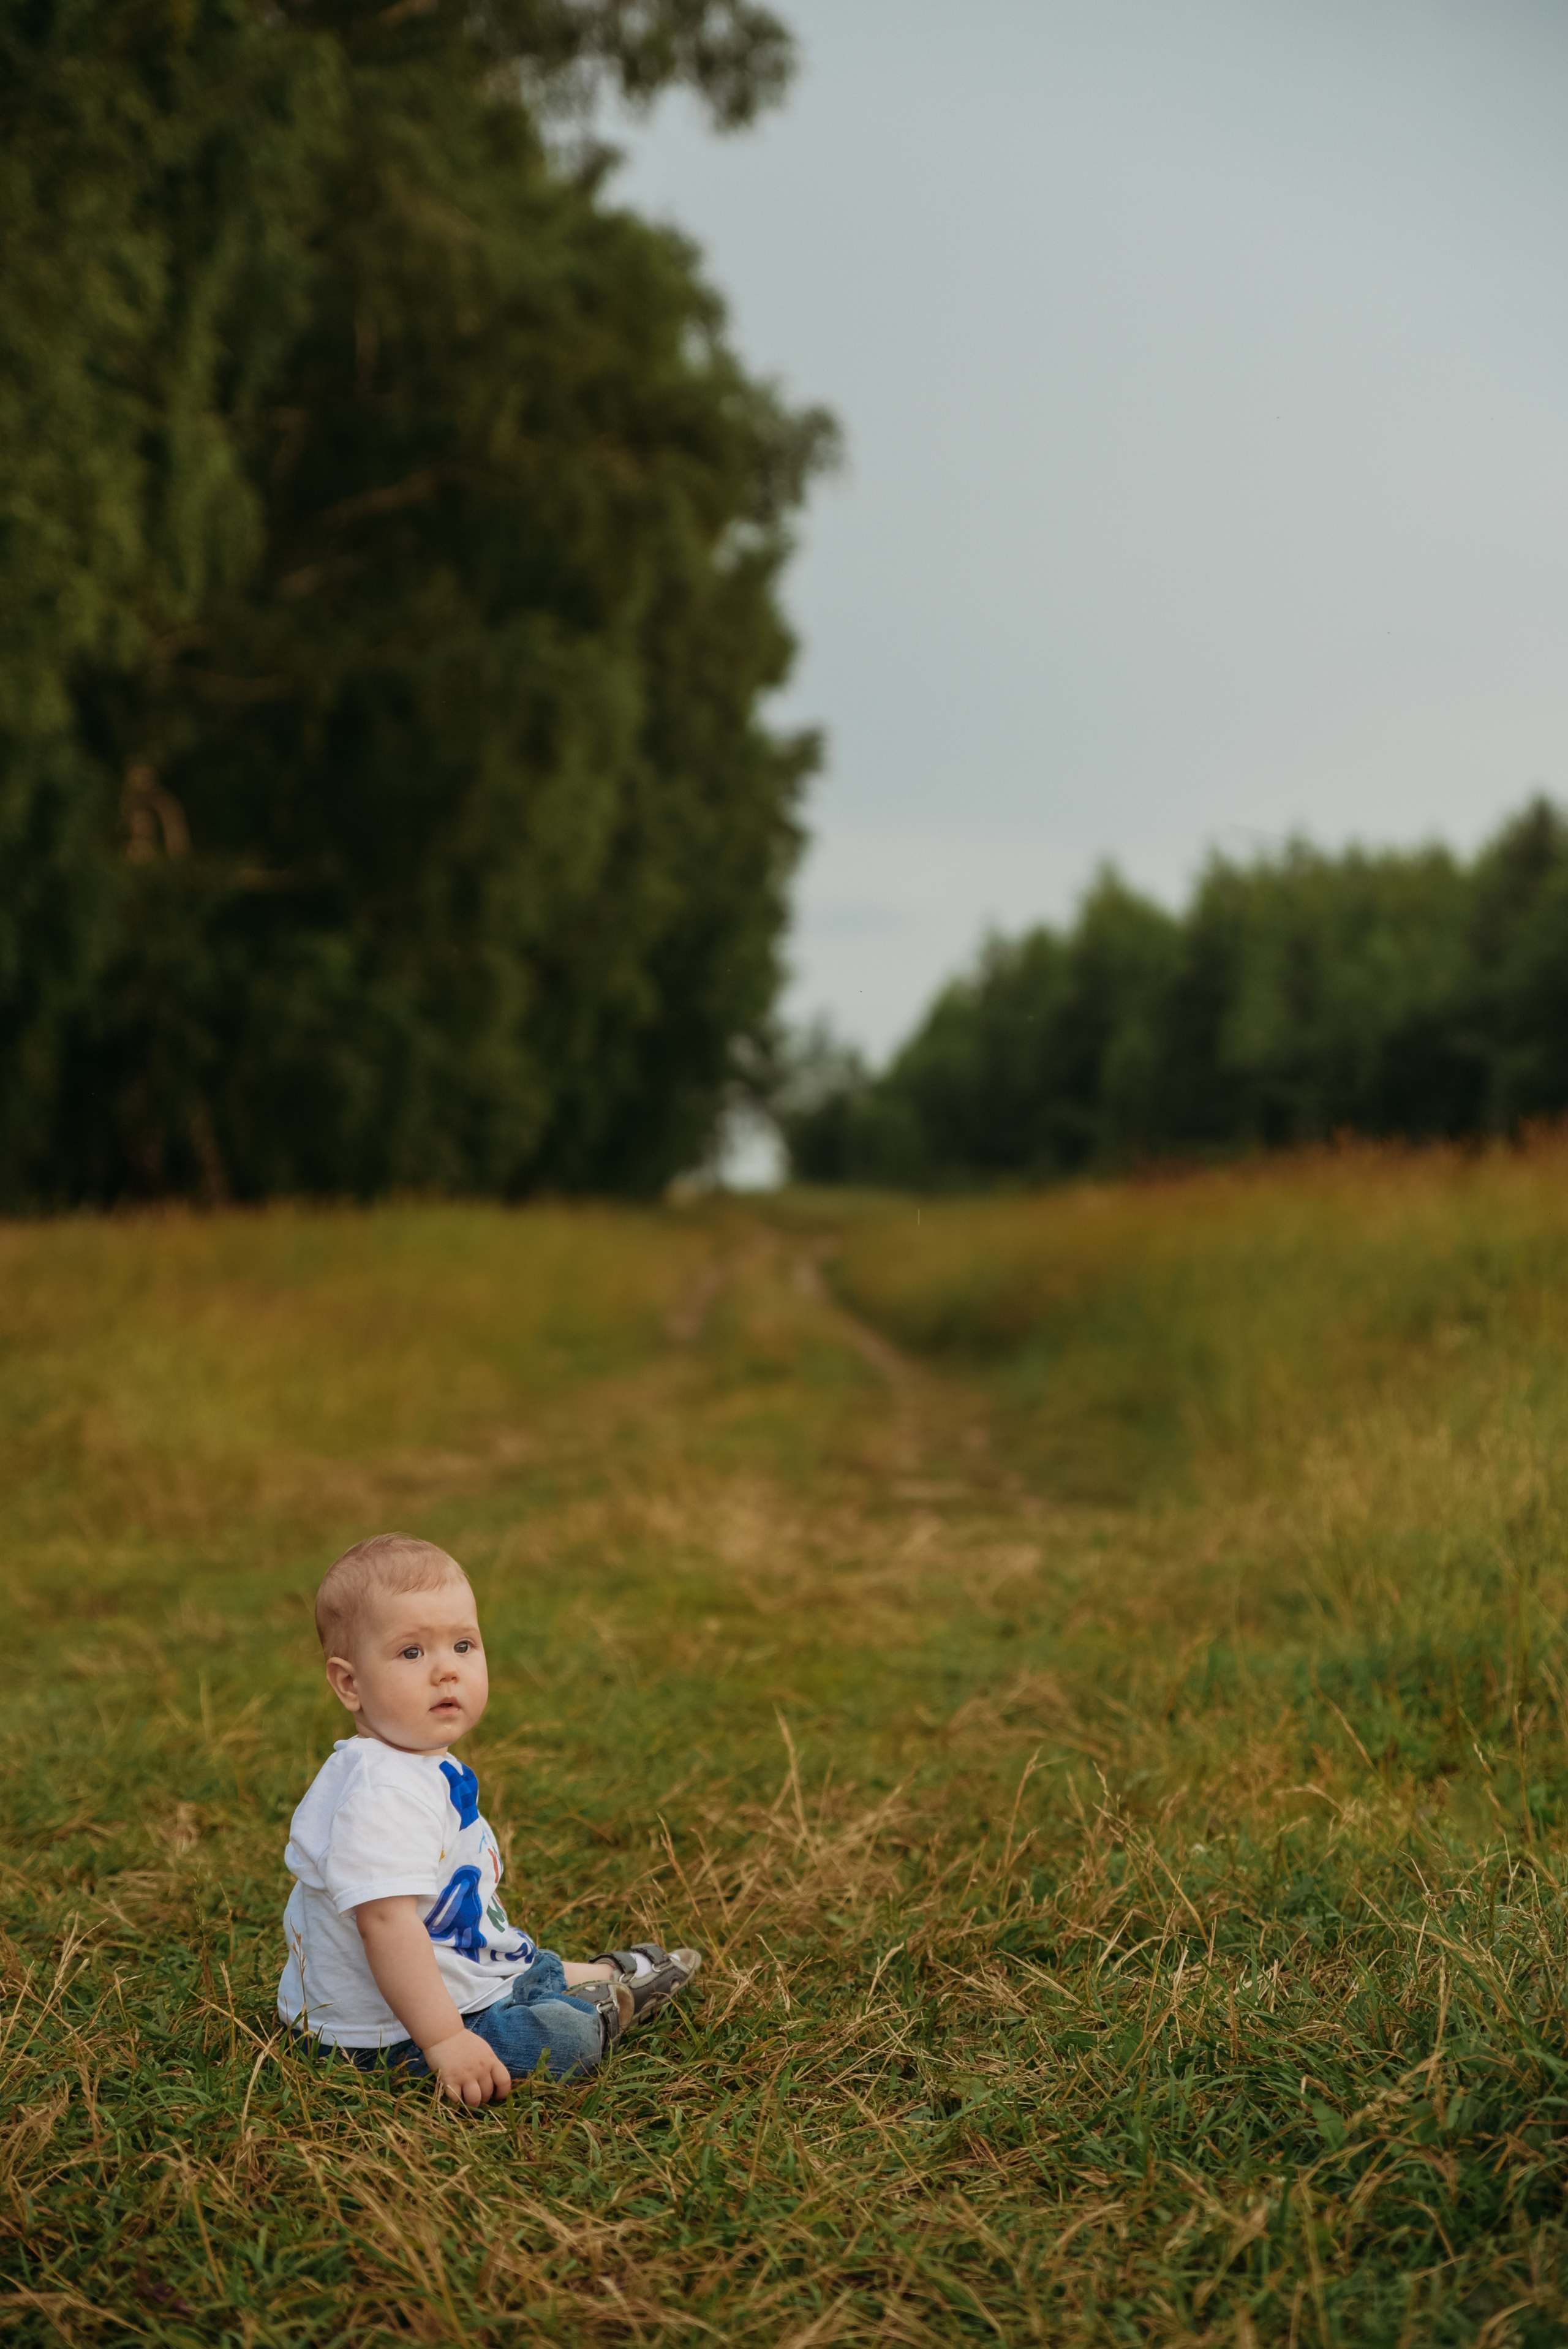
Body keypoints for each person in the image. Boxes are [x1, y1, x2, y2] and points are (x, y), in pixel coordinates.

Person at [277, 1532, 699, 2103]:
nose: (445, 1671)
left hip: (442, 1974)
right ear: (349, 1683)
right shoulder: (381, 1794)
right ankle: (595, 2009)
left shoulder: (418, 1763)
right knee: (563, 2041)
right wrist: (447, 2039)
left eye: (463, 1645)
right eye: (411, 1652)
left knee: (514, 1960)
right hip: (377, 2034)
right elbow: (387, 1926)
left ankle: (584, 1975)